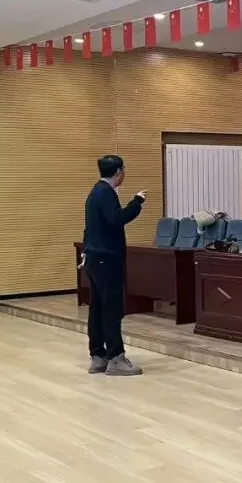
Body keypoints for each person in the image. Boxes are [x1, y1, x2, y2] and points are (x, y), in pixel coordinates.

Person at [80, 155, 146, 376]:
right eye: (124, 170)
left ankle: (98, 357)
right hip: (106, 260)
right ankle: (116, 358)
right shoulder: (106, 193)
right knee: (111, 309)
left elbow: (90, 228)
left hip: (95, 258)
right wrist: (136, 202)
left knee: (98, 309)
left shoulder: (95, 192)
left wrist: (86, 252)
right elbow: (117, 219)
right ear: (118, 172)